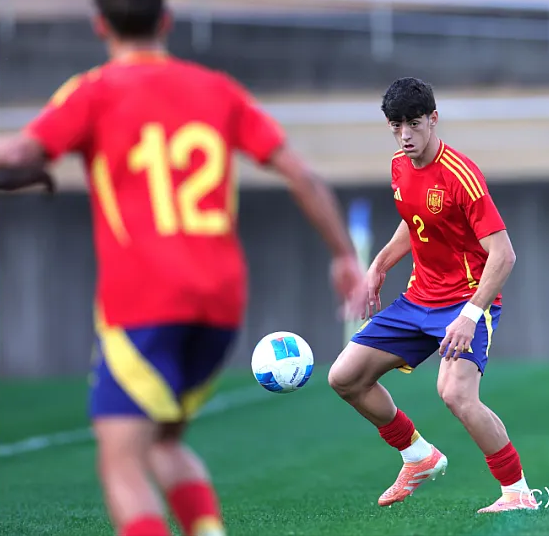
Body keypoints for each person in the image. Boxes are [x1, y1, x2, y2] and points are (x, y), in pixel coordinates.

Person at [0, 1, 365, 534]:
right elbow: (303, 176)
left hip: (143, 298)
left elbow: (16, 157)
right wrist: (343, 257)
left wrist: (31, 171)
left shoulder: (94, 90)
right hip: (219, 301)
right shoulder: (217, 89)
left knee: (121, 460)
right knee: (165, 443)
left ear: (100, 24)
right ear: (166, 21)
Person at [327, 77, 538, 514]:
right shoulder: (398, 167)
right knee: (344, 377)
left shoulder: (462, 175)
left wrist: (470, 315)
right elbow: (415, 218)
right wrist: (380, 265)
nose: (406, 135)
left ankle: (517, 492)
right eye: (396, 125)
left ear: (433, 120)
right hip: (417, 299)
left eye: (414, 124)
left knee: (456, 394)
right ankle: (418, 456)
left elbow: (504, 255)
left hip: (465, 301)